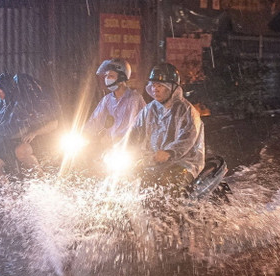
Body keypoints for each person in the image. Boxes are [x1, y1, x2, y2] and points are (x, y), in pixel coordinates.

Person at [127, 62, 205, 195]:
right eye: (152, 85)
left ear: (171, 88)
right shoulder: (149, 109)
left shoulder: (186, 110)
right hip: (153, 161)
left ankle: (178, 215)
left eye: (160, 86)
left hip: (183, 162)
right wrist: (117, 149)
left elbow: (187, 139)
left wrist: (169, 152)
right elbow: (133, 132)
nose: (154, 89)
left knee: (168, 189)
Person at [85, 58, 146, 147]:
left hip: (128, 150)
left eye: (111, 76)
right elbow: (95, 120)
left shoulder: (135, 99)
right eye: (106, 76)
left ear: (122, 77)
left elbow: (140, 125)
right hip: (108, 150)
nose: (107, 79)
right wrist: (83, 134)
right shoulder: (107, 100)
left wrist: (125, 139)